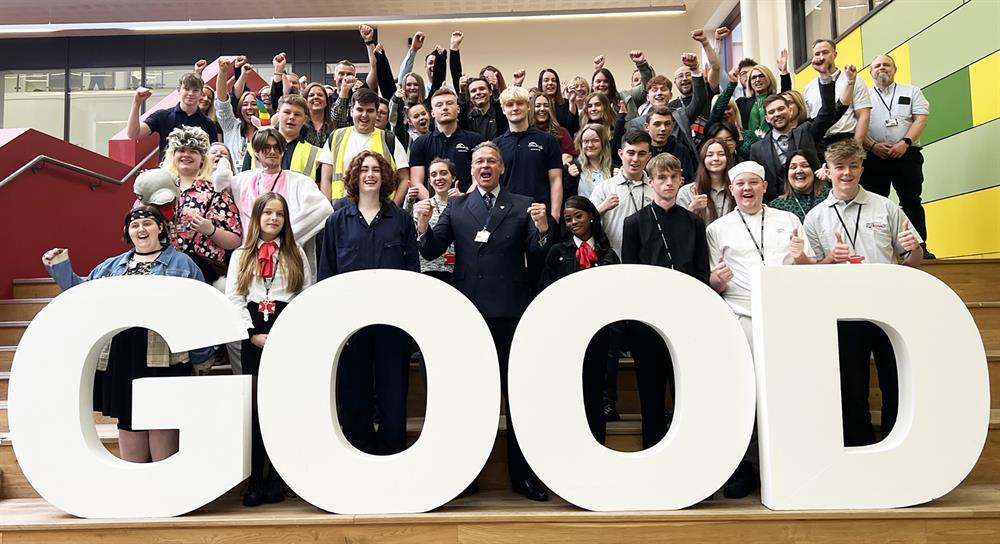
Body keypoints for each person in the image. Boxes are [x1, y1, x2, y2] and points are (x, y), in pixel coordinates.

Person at [414, 141, 554, 501]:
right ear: (471, 169)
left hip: (511, 310)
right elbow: (431, 249)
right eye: (479, 161)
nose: (485, 166)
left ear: (502, 168)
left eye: (492, 160)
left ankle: (523, 476)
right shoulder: (457, 205)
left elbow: (537, 256)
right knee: (471, 396)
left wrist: (542, 229)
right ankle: (467, 474)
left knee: (516, 396)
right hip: (469, 313)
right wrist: (424, 226)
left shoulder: (523, 205)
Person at [42, 207, 206, 463]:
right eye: (135, 225)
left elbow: (200, 313)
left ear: (160, 228)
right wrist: (59, 266)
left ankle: (165, 493)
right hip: (123, 353)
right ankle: (137, 492)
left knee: (163, 417)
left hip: (163, 354)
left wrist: (200, 358)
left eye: (148, 223)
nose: (141, 229)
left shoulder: (182, 264)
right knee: (128, 418)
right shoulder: (111, 266)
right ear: (128, 232)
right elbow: (82, 294)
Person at [706, 160, 816, 498]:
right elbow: (712, 281)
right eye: (740, 184)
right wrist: (717, 281)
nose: (747, 189)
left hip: (786, 319)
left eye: (753, 183)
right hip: (742, 319)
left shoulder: (789, 220)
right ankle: (747, 467)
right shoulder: (717, 229)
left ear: (765, 186)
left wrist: (801, 259)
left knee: (785, 391)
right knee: (746, 395)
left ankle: (787, 463)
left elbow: (809, 268)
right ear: (732, 189)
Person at [803, 138, 922, 447]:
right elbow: (810, 271)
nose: (846, 173)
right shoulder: (816, 217)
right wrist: (831, 259)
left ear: (862, 169)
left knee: (894, 382)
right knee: (851, 386)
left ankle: (897, 444)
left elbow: (912, 261)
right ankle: (860, 447)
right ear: (827, 171)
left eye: (853, 166)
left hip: (888, 310)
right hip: (842, 313)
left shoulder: (886, 206)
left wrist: (913, 251)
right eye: (839, 167)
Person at [319, 151, 420, 455]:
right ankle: (359, 455)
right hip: (351, 326)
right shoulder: (337, 221)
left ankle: (392, 456)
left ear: (385, 177)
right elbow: (327, 273)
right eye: (364, 169)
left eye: (376, 169)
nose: (370, 175)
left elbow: (412, 273)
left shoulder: (401, 219)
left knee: (393, 394)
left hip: (392, 325)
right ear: (355, 176)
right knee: (354, 394)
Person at [621, 152, 710, 450]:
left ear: (681, 180)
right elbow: (630, 275)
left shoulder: (695, 224)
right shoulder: (634, 223)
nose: (668, 183)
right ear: (650, 182)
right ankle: (652, 454)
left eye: (673, 177)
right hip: (648, 321)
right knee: (651, 392)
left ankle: (690, 454)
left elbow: (701, 272)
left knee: (686, 391)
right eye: (661, 178)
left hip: (685, 318)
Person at [226, 192, 310, 506]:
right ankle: (255, 481)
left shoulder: (295, 252)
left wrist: (287, 333)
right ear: (257, 217)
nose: (273, 219)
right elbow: (234, 298)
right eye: (268, 213)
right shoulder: (242, 254)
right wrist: (251, 334)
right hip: (254, 336)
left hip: (285, 333)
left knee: (281, 406)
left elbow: (304, 293)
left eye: (279, 214)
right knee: (256, 409)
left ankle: (277, 477)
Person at [538, 195, 620, 444]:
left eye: (578, 216)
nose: (573, 222)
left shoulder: (607, 254)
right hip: (566, 335)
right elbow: (546, 292)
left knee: (595, 392)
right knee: (568, 392)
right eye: (568, 219)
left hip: (598, 335)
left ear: (592, 216)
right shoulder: (557, 252)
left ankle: (598, 442)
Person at [588, 130, 655, 420]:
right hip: (612, 271)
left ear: (649, 156)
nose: (636, 158)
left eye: (642, 153)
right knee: (612, 343)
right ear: (620, 154)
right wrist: (601, 209)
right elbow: (584, 222)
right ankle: (607, 401)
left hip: (647, 273)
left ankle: (653, 407)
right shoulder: (605, 187)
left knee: (646, 341)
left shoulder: (654, 187)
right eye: (631, 152)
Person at [214, 127, 332, 278]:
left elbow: (323, 209)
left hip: (286, 257)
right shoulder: (242, 180)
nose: (272, 151)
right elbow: (220, 190)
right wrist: (222, 169)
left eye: (277, 147)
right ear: (256, 151)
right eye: (266, 147)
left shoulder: (300, 181)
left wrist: (284, 236)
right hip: (250, 256)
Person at [862, 54, 933, 259]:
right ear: (871, 72)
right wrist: (873, 146)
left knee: (911, 201)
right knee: (875, 204)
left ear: (895, 69)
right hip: (875, 157)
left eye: (886, 64)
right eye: (877, 66)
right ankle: (878, 249)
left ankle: (919, 247)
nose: (882, 68)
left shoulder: (912, 92)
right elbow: (858, 126)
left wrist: (905, 143)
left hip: (907, 155)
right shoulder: (864, 97)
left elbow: (920, 120)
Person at [160, 126, 242, 285]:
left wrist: (211, 230)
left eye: (193, 151)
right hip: (163, 267)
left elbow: (235, 240)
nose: (186, 155)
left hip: (202, 272)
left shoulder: (216, 192)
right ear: (173, 155)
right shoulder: (159, 187)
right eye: (181, 150)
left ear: (202, 158)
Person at [750, 67, 843, 202]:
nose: (777, 114)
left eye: (781, 109)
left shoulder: (807, 131)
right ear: (767, 118)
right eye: (771, 112)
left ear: (790, 110)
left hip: (814, 201)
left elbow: (827, 113)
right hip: (777, 208)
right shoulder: (757, 149)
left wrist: (825, 78)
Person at [319, 88, 410, 204]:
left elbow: (404, 178)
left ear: (377, 113)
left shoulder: (389, 139)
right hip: (341, 211)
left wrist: (393, 209)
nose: (364, 115)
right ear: (351, 111)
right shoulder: (336, 137)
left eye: (370, 111)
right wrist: (328, 211)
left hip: (381, 210)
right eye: (359, 109)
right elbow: (326, 178)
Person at [494, 86, 564, 220]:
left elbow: (556, 180)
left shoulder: (547, 140)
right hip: (506, 215)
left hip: (539, 213)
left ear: (528, 107)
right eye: (510, 105)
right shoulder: (496, 145)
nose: (515, 108)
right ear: (503, 110)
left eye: (520, 103)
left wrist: (555, 214)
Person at [408, 88, 485, 195]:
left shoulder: (475, 140)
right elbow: (416, 181)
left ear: (458, 109)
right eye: (439, 105)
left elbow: (479, 178)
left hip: (468, 204)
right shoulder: (420, 143)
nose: (445, 108)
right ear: (432, 113)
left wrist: (464, 200)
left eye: (449, 103)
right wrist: (434, 203)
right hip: (432, 207)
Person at [127, 72, 219, 158]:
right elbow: (133, 134)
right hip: (167, 172)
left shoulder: (209, 123)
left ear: (200, 94)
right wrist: (136, 103)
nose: (190, 93)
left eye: (195, 90)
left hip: (196, 173)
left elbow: (211, 154)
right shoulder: (162, 116)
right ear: (179, 90)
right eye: (186, 89)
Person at [242, 95, 323, 183]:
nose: (291, 117)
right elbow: (244, 183)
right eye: (287, 112)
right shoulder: (254, 147)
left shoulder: (315, 154)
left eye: (297, 114)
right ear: (278, 114)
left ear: (305, 119)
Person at [805, 39, 871, 146]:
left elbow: (863, 115)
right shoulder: (808, 88)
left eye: (825, 52)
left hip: (845, 139)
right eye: (817, 54)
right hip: (820, 142)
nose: (821, 57)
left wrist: (857, 144)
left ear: (835, 55)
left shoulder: (853, 80)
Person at [409, 158, 459, 282]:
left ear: (453, 177)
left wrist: (464, 201)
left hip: (457, 272)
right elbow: (404, 231)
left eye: (443, 173)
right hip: (425, 271)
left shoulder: (464, 205)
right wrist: (408, 202)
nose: (438, 178)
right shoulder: (420, 207)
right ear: (429, 181)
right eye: (433, 175)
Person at [676, 137, 736, 225]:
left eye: (721, 154)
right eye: (710, 155)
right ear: (703, 159)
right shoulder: (687, 191)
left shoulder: (737, 189)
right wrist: (692, 209)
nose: (715, 158)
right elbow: (679, 228)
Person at [215, 58, 260, 167]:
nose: (249, 108)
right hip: (233, 181)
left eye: (254, 104)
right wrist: (222, 73)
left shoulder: (266, 130)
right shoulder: (231, 126)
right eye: (245, 104)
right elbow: (222, 103)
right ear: (239, 109)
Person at [769, 149, 831, 222]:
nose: (799, 170)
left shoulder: (831, 197)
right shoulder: (776, 206)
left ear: (814, 170)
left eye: (805, 166)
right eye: (793, 167)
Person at [643, 106, 696, 183]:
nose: (663, 128)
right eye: (657, 124)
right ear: (647, 126)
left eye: (667, 124)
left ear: (672, 126)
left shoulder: (682, 151)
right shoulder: (641, 152)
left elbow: (690, 182)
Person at [567, 123, 613, 198]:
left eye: (595, 141)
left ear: (603, 143)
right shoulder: (572, 168)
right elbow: (567, 200)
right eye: (585, 141)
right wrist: (570, 179)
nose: (590, 145)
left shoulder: (613, 170)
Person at [531, 92, 575, 157]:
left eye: (546, 106)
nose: (542, 109)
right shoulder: (525, 132)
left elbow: (567, 157)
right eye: (538, 106)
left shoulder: (562, 132)